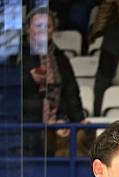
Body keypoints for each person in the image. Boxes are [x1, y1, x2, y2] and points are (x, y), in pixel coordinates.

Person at [21, 8, 88, 157]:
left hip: (57, 122)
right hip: (26, 123)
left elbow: (71, 92)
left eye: (47, 26)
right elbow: (8, 91)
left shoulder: (60, 58)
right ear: (28, 29)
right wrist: (29, 78)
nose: (43, 30)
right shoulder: (15, 56)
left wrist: (75, 120)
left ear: (53, 30)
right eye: (38, 26)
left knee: (81, 139)